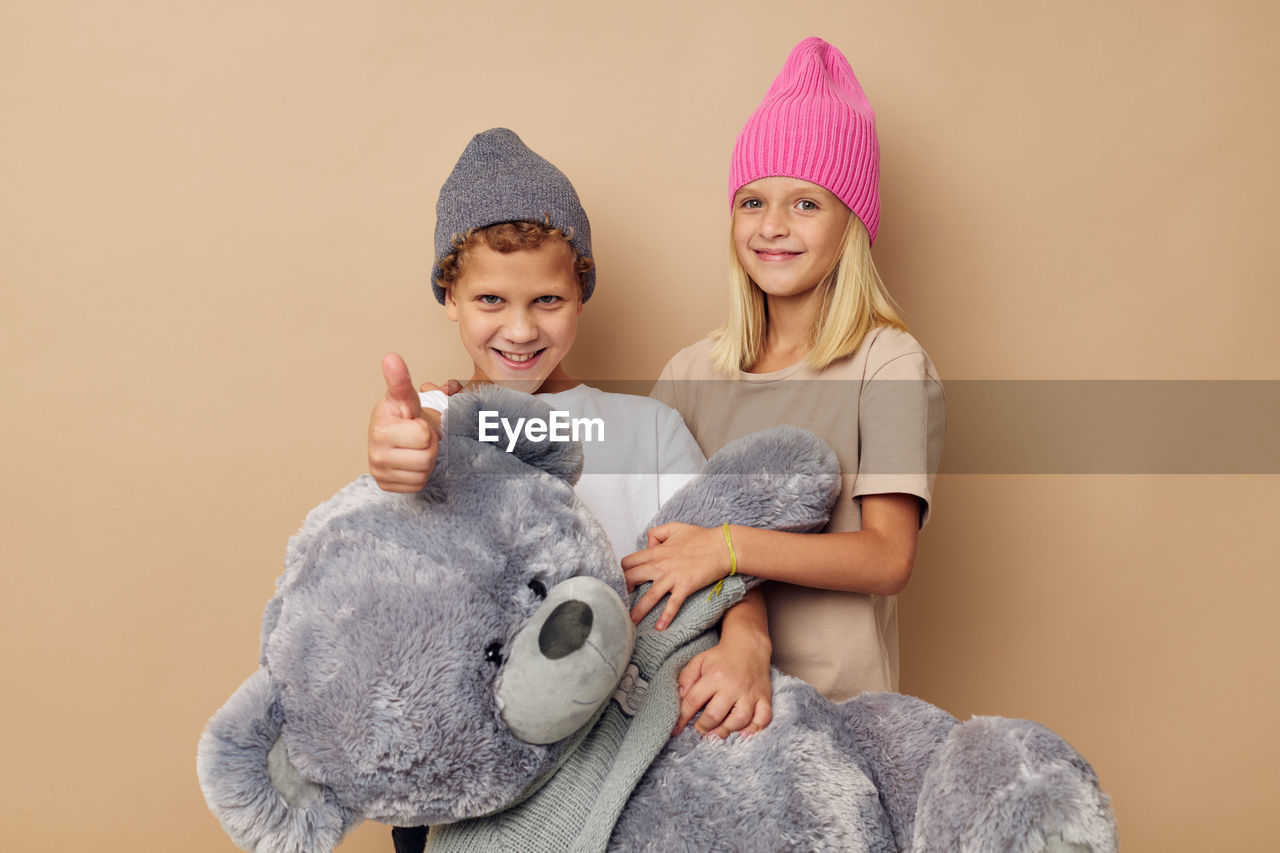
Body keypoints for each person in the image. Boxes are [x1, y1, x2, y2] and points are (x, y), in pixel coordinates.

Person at [370, 128, 706, 853]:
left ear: (582, 290)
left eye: (547, 299)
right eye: (491, 297)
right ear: (449, 295)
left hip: (633, 771)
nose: (520, 328)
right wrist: (399, 452)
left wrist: (749, 642)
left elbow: (716, 573)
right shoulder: (443, 427)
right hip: (485, 793)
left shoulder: (650, 431)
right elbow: (390, 534)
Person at [625, 37, 945, 742]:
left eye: (806, 203)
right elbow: (640, 537)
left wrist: (728, 548)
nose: (772, 226)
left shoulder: (887, 364)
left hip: (839, 725)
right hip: (699, 721)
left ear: (851, 223)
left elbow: (887, 557)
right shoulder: (689, 372)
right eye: (752, 201)